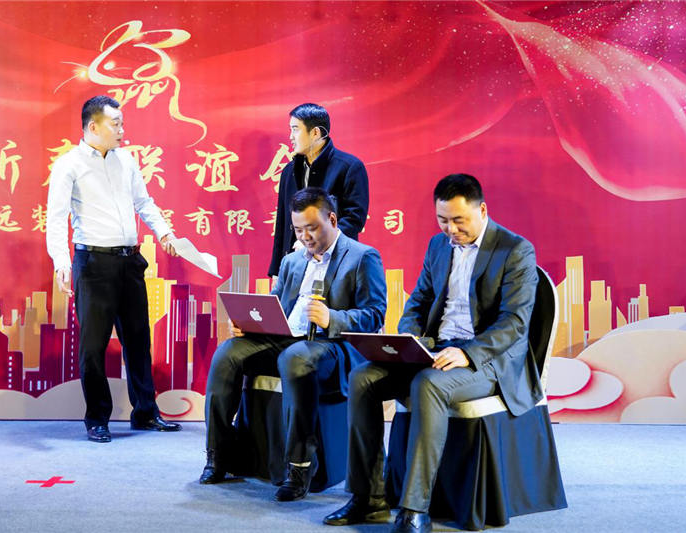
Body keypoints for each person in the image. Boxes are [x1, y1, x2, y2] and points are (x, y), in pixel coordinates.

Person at [324, 174, 540, 533]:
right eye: (443, 220)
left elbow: (514, 323)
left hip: (486, 359)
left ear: (482, 210)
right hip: (435, 349)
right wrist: (408, 340)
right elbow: (420, 300)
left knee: (428, 384)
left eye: (459, 220)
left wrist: (468, 354)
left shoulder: (515, 250)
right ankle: (368, 497)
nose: (451, 230)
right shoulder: (438, 245)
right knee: (363, 378)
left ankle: (414, 508)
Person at [201, 187, 386, 502]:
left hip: (330, 346)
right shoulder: (291, 261)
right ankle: (218, 455)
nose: (305, 237)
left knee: (295, 357)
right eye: (298, 230)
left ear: (332, 219)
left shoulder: (362, 257)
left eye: (311, 228)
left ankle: (298, 468)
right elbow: (276, 306)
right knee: (228, 354)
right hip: (286, 339)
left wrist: (332, 317)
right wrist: (250, 324)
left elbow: (375, 314)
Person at [46, 95, 182, 443]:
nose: (122, 129)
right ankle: (97, 419)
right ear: (93, 126)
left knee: (138, 339)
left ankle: (145, 412)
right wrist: (61, 262)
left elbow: (144, 202)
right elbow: (57, 218)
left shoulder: (127, 160)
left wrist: (164, 231)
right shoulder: (69, 164)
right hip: (93, 263)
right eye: (115, 124)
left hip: (129, 261)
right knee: (93, 346)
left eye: (122, 123)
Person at [268, 103, 369, 278]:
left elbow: (354, 220)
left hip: (335, 267)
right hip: (295, 267)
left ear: (315, 133)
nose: (291, 137)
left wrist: (314, 242)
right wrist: (277, 271)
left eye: (295, 130)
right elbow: (282, 224)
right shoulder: (289, 171)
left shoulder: (349, 167)